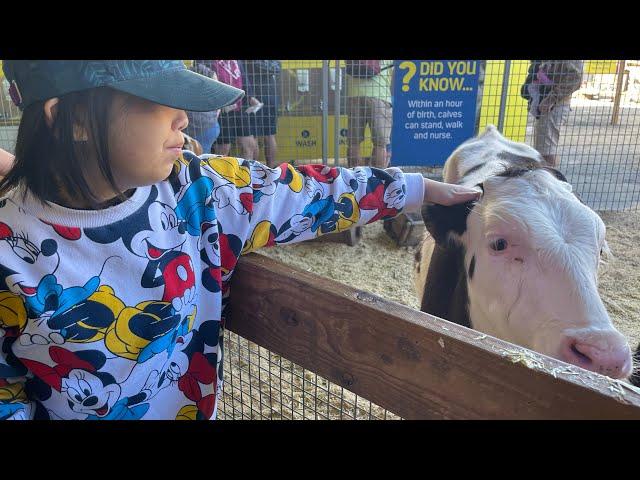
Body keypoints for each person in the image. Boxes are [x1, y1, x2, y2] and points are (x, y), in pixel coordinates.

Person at [0, 60, 480, 420]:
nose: (183, 119)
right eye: (153, 100)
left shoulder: (200, 192)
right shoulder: (9, 249)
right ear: (71, 119)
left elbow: (307, 192)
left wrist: (414, 190)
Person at [521, 60, 584, 167]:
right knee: (542, 150)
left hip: (553, 105)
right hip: (546, 102)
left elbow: (575, 79)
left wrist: (551, 98)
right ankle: (543, 179)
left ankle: (548, 181)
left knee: (547, 153)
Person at [345, 60, 394, 169]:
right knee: (380, 144)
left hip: (354, 94)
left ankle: (355, 178)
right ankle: (377, 179)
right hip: (380, 95)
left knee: (353, 142)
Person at [211, 60, 259, 160]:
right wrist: (219, 103)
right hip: (222, 110)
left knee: (249, 144)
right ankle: (220, 173)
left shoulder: (237, 61)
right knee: (224, 147)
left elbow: (243, 77)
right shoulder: (207, 62)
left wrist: (251, 97)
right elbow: (205, 79)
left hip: (239, 106)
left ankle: (245, 173)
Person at [244, 60, 281, 167]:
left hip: (253, 94)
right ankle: (269, 168)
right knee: (269, 134)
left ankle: (255, 170)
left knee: (254, 134)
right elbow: (277, 67)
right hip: (269, 94)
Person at [183, 61, 221, 154]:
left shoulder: (183, 74)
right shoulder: (210, 73)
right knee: (202, 156)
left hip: (191, 126)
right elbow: (218, 99)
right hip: (209, 125)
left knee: (189, 158)